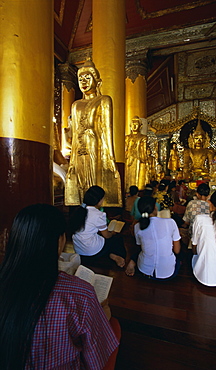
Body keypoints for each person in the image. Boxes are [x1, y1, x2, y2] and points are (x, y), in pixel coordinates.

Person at [0, 204, 119, 370]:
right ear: (60, 240)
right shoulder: (80, 293)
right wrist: (103, 317)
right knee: (114, 326)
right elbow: (96, 359)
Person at [65, 59, 122, 207]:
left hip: (93, 144)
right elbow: (75, 130)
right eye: (80, 79)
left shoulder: (104, 100)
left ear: (98, 82)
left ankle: (94, 207)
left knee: (93, 179)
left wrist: (110, 157)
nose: (83, 82)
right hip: (79, 146)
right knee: (81, 179)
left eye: (87, 78)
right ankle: (83, 206)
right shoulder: (76, 105)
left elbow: (107, 130)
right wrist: (71, 160)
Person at [70, 185, 126, 267]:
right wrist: (113, 233)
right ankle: (115, 255)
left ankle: (109, 254)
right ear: (99, 200)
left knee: (101, 238)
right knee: (117, 239)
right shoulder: (99, 214)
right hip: (92, 251)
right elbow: (107, 236)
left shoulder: (78, 211)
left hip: (79, 251)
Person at [126, 196, 181, 278]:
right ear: (155, 207)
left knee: (142, 251)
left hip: (144, 271)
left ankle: (133, 261)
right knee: (180, 257)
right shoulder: (170, 222)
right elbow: (177, 250)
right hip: (167, 274)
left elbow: (140, 246)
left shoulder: (137, 226)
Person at [125, 116, 148, 191]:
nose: (134, 126)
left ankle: (137, 189)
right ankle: (127, 189)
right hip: (128, 158)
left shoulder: (143, 137)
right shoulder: (127, 137)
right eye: (133, 124)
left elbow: (143, 149)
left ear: (140, 126)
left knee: (137, 175)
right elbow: (125, 149)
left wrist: (144, 159)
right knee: (128, 175)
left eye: (136, 124)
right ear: (130, 126)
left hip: (138, 158)